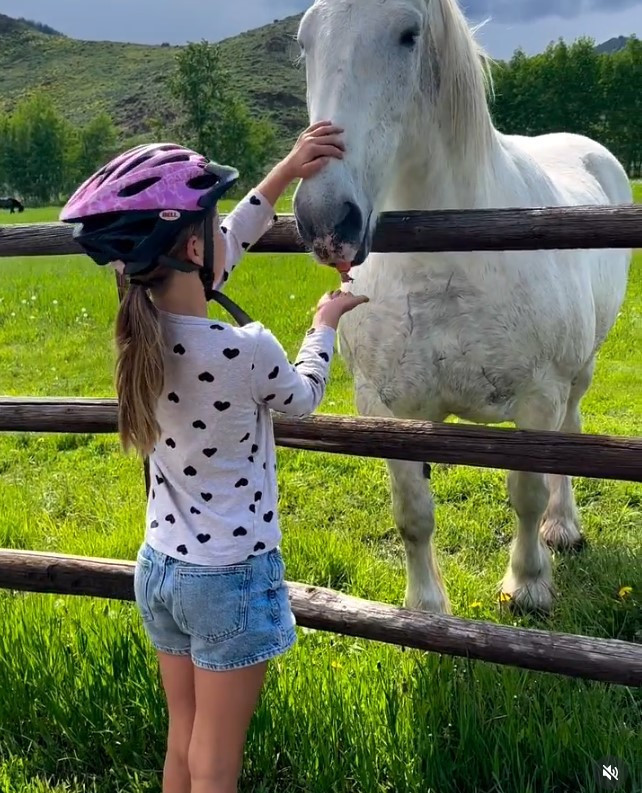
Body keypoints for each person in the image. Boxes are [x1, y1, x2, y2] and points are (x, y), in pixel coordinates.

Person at [59, 123, 368, 793]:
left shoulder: (140, 329)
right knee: (218, 761)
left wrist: (285, 171)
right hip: (228, 578)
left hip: (161, 568)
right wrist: (325, 322)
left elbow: (221, 248)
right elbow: (304, 396)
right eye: (211, 228)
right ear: (192, 247)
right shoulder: (246, 347)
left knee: (184, 741)